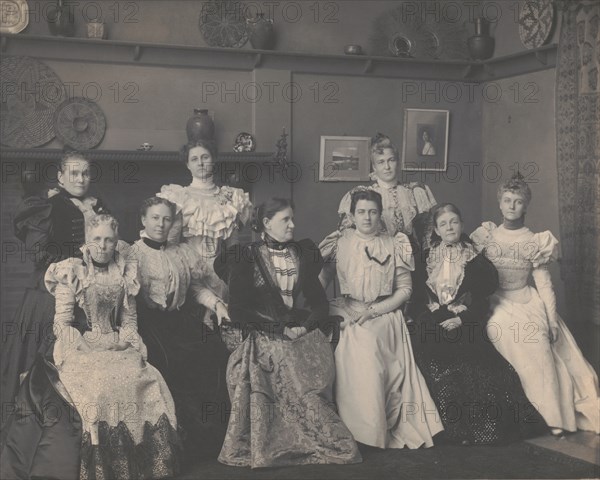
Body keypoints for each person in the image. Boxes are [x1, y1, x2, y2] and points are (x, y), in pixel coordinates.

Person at [1, 214, 181, 480]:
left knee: (146, 377)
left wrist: (126, 340)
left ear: (116, 241)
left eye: (109, 239)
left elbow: (128, 319)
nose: (103, 245)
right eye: (96, 239)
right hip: (80, 343)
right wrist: (79, 344)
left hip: (116, 342)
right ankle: (98, 463)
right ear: (87, 239)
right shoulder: (71, 270)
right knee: (97, 385)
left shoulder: (124, 271)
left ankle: (141, 463)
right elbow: (62, 322)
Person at [213, 198, 362, 468]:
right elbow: (239, 310)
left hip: (299, 329)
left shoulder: (302, 252)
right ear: (267, 224)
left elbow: (319, 303)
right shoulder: (244, 256)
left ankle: (317, 438)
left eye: (293, 218)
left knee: (310, 369)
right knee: (282, 361)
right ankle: (279, 444)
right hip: (262, 331)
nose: (293, 224)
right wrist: (280, 329)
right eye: (285, 220)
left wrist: (304, 327)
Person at [471, 173, 600, 435]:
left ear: (526, 206)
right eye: (507, 200)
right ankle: (513, 416)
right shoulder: (487, 236)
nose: (511, 206)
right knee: (499, 327)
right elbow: (473, 275)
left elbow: (544, 284)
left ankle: (549, 416)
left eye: (517, 202)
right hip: (494, 299)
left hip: (524, 298)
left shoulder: (534, 241)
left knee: (536, 341)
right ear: (499, 203)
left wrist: (551, 320)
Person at [409, 203, 547, 445]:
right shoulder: (427, 258)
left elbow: (482, 301)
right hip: (433, 324)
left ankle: (481, 430)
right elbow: (419, 300)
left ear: (461, 225)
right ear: (437, 231)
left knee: (481, 369)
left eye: (453, 221)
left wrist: (461, 319)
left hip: (465, 323)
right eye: (443, 224)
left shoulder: (475, 259)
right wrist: (432, 316)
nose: (449, 227)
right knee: (436, 365)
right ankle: (448, 430)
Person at [319, 190, 443, 449]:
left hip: (382, 312)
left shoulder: (394, 243)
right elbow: (321, 281)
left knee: (365, 343)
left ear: (380, 213)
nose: (367, 217)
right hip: (344, 308)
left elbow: (405, 290)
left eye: (373, 211)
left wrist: (374, 311)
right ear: (352, 215)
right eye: (362, 212)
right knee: (330, 338)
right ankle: (337, 425)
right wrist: (322, 308)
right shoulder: (339, 242)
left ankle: (368, 431)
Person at [0, 151, 108, 436]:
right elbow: (40, 254)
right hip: (51, 293)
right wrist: (77, 261)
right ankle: (45, 436)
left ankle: (91, 435)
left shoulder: (98, 207)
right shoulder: (46, 207)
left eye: (85, 173)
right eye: (73, 173)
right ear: (61, 177)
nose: (80, 178)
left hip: (92, 294)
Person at [133, 197, 230, 456]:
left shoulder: (180, 253)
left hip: (180, 320)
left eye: (166, 219)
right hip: (148, 323)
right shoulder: (133, 254)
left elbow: (196, 288)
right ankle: (180, 442)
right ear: (143, 220)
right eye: (155, 218)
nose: (161, 224)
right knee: (170, 363)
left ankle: (211, 437)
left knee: (215, 350)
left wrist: (217, 305)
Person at [156, 139, 252, 326]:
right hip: (191, 274)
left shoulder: (232, 197)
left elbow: (234, 249)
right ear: (187, 164)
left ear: (213, 159)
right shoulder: (179, 197)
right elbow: (171, 247)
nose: (200, 162)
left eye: (205, 157)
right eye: (194, 159)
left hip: (223, 277)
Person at [326, 133, 437, 250]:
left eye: (391, 160)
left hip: (410, 256)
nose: (387, 167)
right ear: (374, 167)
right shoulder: (362, 195)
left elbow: (427, 235)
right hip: (375, 256)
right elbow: (346, 234)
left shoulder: (414, 192)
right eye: (381, 162)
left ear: (398, 163)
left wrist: (428, 261)